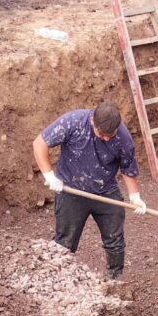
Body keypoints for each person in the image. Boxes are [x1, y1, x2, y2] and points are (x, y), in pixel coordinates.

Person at [33, 101, 146, 280]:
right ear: (93, 121)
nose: (108, 139)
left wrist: (135, 196)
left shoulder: (122, 137)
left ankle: (116, 279)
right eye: (103, 134)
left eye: (111, 135)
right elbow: (39, 144)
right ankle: (60, 279)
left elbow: (128, 167)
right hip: (71, 190)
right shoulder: (73, 122)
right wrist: (49, 175)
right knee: (65, 242)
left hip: (105, 191)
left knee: (115, 240)